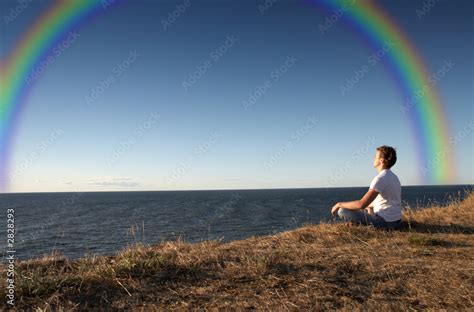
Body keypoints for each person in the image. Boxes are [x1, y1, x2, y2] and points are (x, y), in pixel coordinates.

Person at [330, 145, 402, 230]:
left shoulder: (380, 178)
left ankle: (361, 226)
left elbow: (361, 204)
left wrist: (339, 204)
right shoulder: (394, 177)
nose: (374, 158)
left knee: (342, 210)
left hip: (384, 224)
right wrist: (368, 207)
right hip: (396, 222)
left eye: (375, 156)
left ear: (381, 160)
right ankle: (360, 224)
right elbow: (383, 202)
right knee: (367, 206)